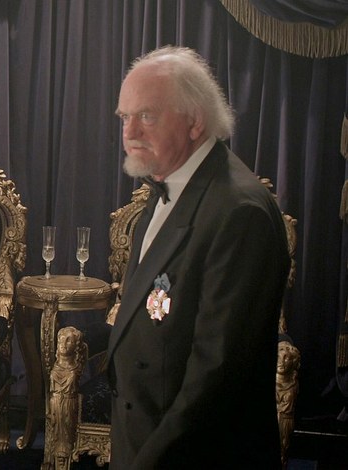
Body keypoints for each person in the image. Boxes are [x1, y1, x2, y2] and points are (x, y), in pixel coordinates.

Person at [105, 46, 290, 469]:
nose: (130, 131)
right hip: (144, 438)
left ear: (195, 122)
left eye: (147, 116)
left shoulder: (239, 213)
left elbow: (215, 376)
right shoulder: (169, 182)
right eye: (124, 117)